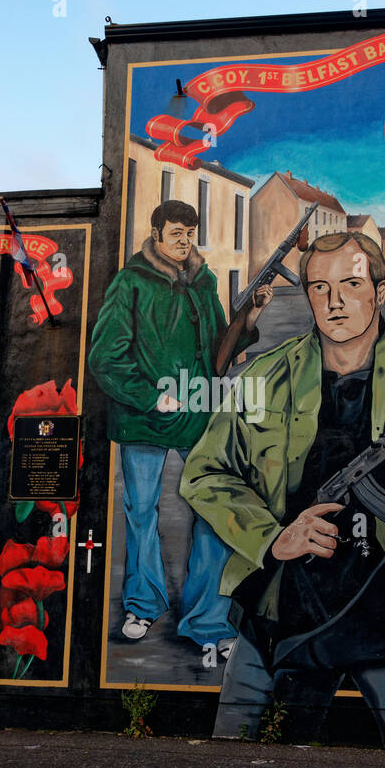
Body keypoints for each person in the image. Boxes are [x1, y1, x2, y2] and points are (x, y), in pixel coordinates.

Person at [180, 231, 385, 749]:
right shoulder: (268, 375)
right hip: (284, 603)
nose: (334, 302)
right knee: (236, 755)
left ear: (380, 293)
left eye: (351, 284)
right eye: (319, 287)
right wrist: (272, 538)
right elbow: (205, 473)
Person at [87, 200, 270, 663]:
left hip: (196, 416)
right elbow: (105, 359)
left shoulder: (204, 281)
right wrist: (152, 395)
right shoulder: (129, 283)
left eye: (190, 231)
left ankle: (207, 621)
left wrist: (249, 320)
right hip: (143, 419)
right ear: (155, 233)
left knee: (211, 512)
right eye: (176, 232)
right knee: (142, 512)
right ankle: (143, 605)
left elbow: (219, 350)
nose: (184, 240)